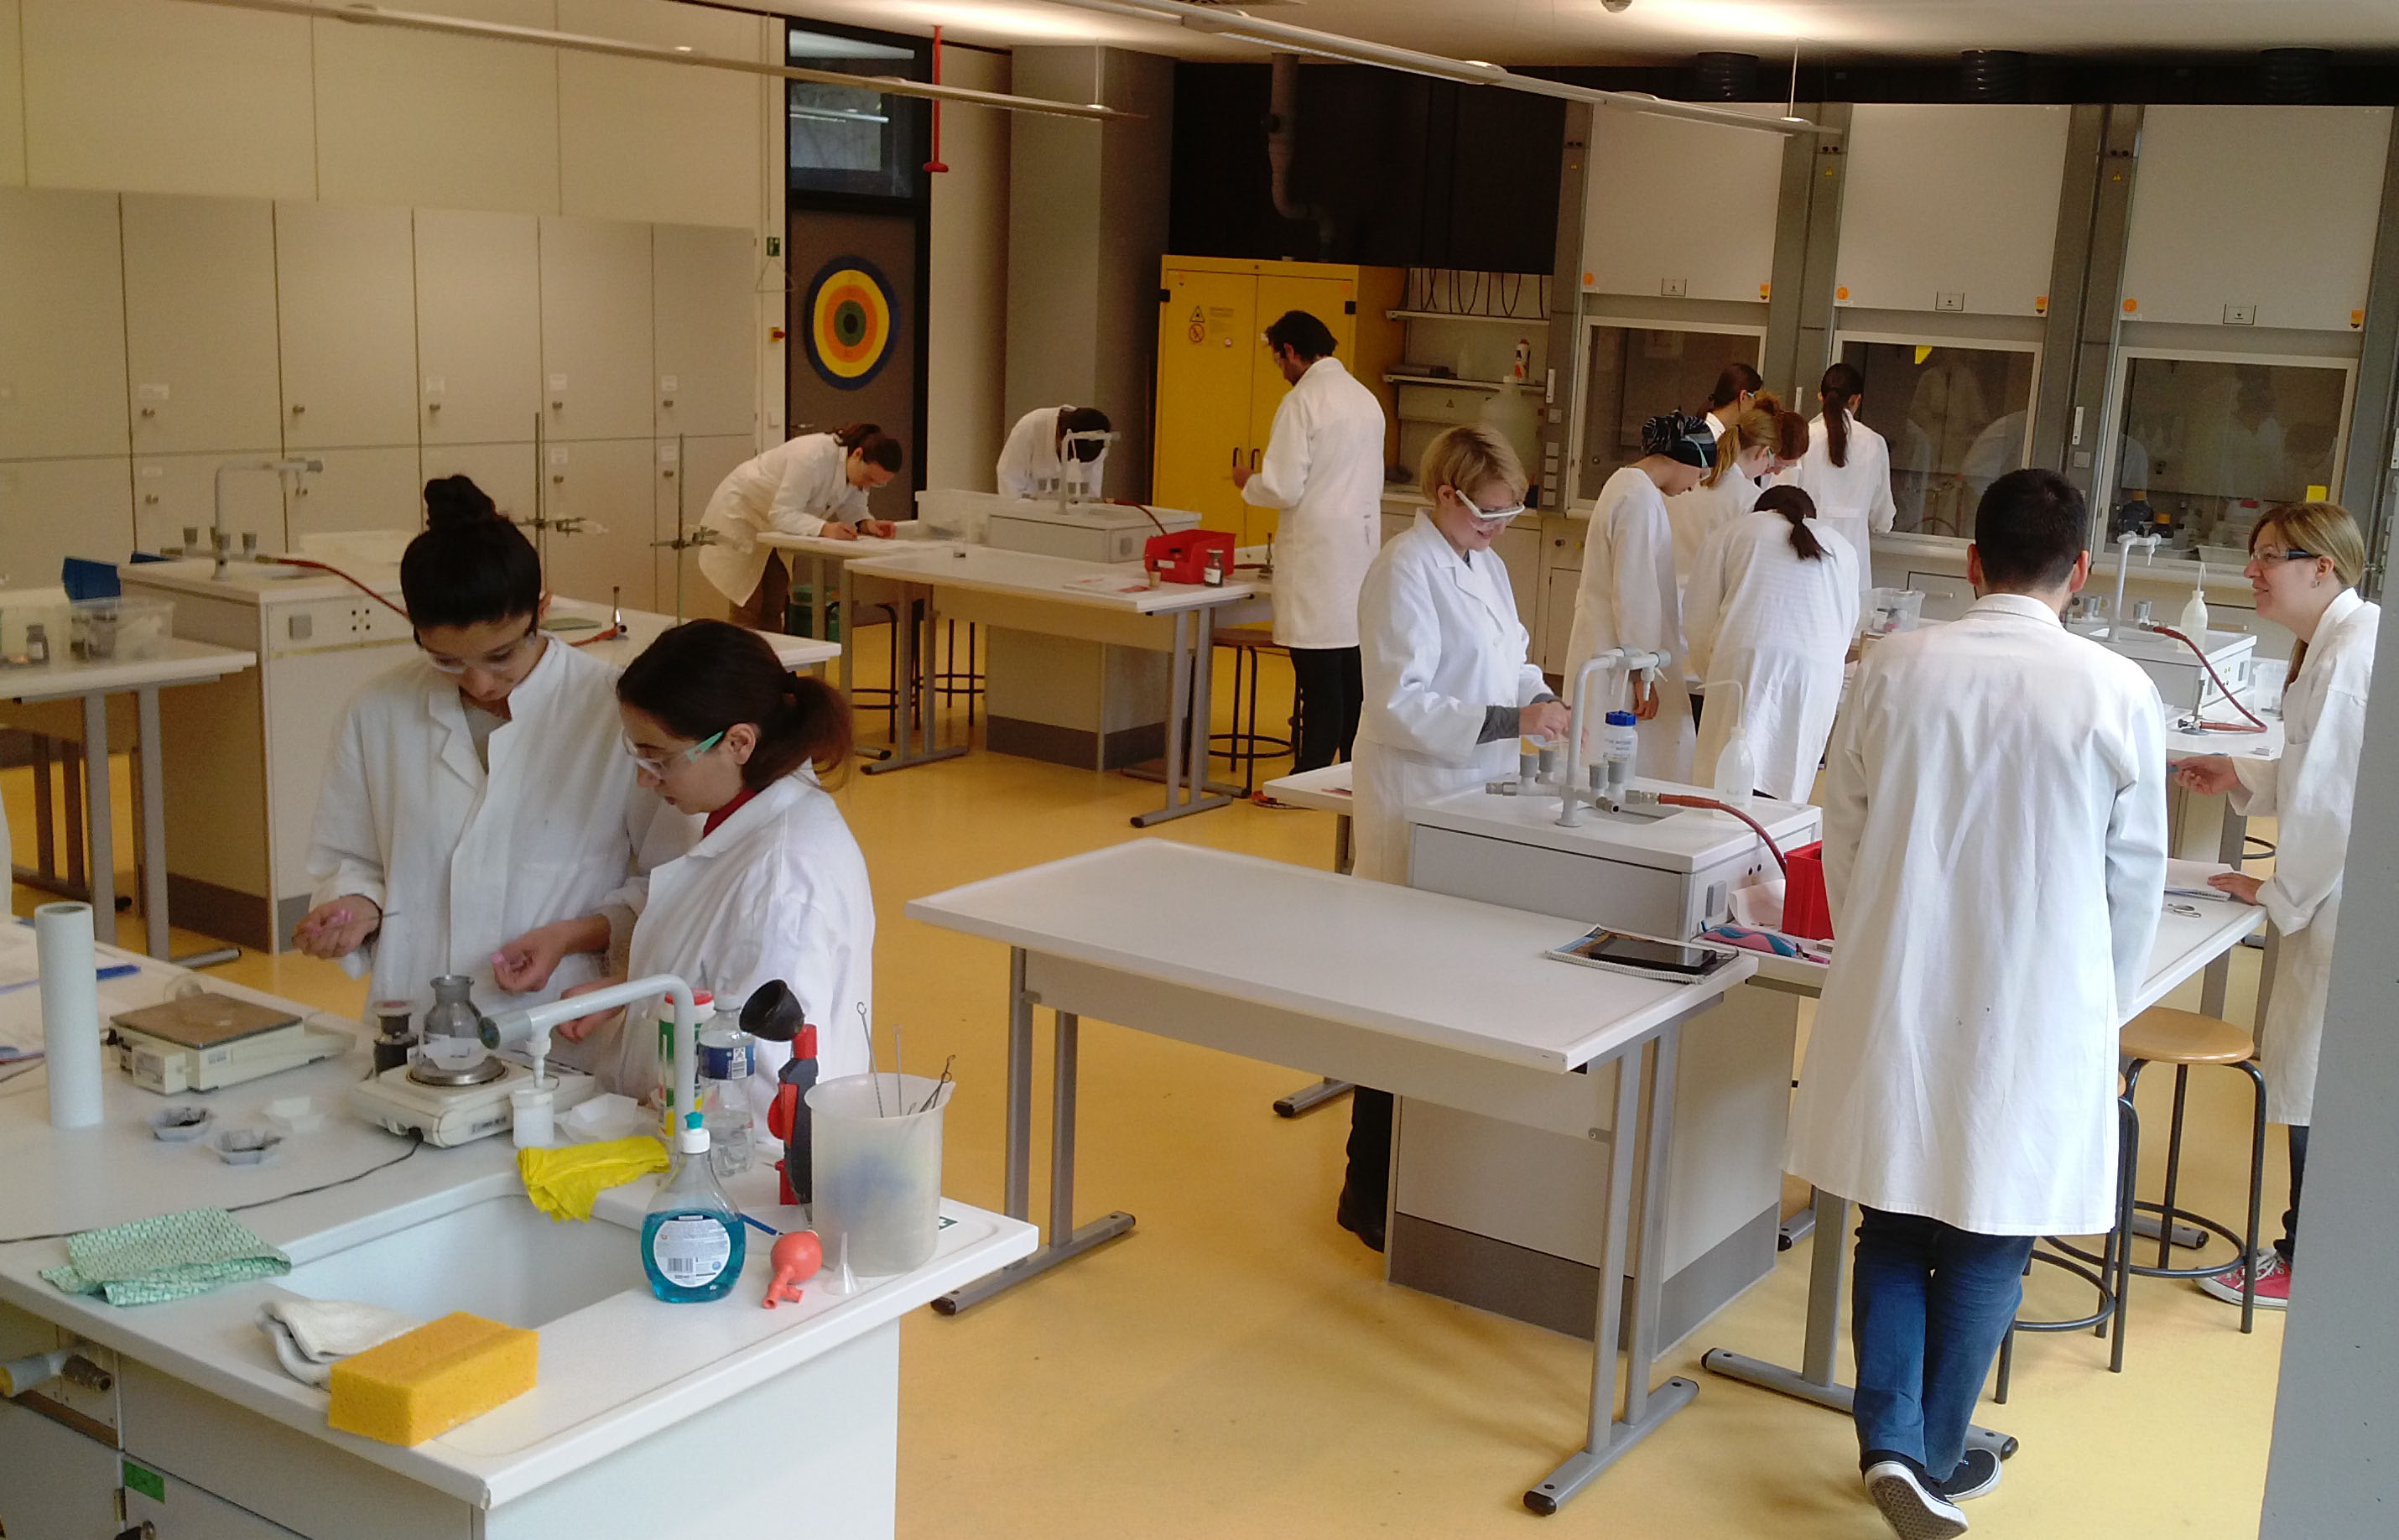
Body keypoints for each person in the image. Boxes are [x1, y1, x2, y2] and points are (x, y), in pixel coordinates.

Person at [1785, 467, 2167, 1537]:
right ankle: (1934, 1459)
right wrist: (2101, 1007)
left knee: (1894, 1220)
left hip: (1900, 984)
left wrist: (1879, 939)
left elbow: (1843, 830)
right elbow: (2133, 876)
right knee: (1993, 1234)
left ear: (1970, 562)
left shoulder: (1894, 666)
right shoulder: (2115, 689)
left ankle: (1894, 1445)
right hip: (2039, 1000)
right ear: (2080, 571)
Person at [294, 476, 689, 1020]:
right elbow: (351, 859)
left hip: (561, 1020)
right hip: (416, 1012)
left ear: (542, 608)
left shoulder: (612, 710)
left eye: (501, 656)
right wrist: (355, 907)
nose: (479, 682)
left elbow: (673, 880)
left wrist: (574, 935)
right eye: (447, 660)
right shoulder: (378, 710)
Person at [492, 621, 875, 1115]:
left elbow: (762, 1090)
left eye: (659, 760)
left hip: (735, 1149)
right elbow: (721, 982)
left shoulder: (782, 879)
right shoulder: (744, 823)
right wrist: (638, 993)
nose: (645, 780)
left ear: (739, 743)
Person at [1341, 425, 1566, 1250]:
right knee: (1400, 998)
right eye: (1488, 513)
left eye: (1509, 515)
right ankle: (1368, 1186)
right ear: (1445, 494)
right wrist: (1514, 721)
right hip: (1417, 802)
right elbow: (1400, 703)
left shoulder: (1484, 563)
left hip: (1477, 800)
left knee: (1451, 995)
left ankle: (1429, 1182)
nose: (1499, 528)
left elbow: (1513, 660)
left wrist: (1544, 699)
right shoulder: (1402, 570)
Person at [2170, 502, 2378, 1311]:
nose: (2252, 571)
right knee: (2322, 1071)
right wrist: (2243, 774)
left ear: (2322, 566)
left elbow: (2333, 807)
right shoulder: (2338, 643)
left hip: (2347, 898)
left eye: (2269, 557)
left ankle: (2305, 1258)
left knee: (2318, 1074)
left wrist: (2275, 891)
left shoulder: (2349, 659)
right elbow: (2317, 767)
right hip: (2346, 889)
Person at [1233, 310, 1387, 773]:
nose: (1281, 369)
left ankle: (1308, 776)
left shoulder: (1302, 401)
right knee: (1351, 672)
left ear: (1291, 352)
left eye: (1279, 360)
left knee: (1319, 678)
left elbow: (1283, 487)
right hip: (1358, 550)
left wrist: (1248, 481)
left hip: (1317, 554)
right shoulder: (1364, 399)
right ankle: (1352, 771)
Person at [1683, 484, 1859, 801]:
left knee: (1726, 781)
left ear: (1761, 510)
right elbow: (1846, 625)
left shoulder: (1733, 532)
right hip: (1816, 674)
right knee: (1788, 784)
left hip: (1745, 661)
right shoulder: (1842, 547)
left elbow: (1699, 617)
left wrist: (1711, 673)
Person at [1564, 412, 1712, 781]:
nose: (1694, 486)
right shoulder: (1639, 498)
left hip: (1609, 646)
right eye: (1699, 474)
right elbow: (1634, 592)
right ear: (1683, 458)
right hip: (1621, 654)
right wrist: (1644, 674)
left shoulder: (1625, 484)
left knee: (1598, 753)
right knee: (1624, 759)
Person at [697, 424, 903, 630]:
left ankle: (772, 652)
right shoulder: (811, 456)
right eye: (869, 479)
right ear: (857, 454)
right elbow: (782, 514)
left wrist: (866, 523)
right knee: (748, 606)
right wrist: (825, 528)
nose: (867, 486)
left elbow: (851, 505)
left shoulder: (855, 471)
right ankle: (743, 651)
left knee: (774, 603)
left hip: (775, 526)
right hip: (743, 514)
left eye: (876, 484)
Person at [1785, 362, 1897, 601]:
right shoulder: (1874, 443)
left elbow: (1782, 496)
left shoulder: (1805, 436)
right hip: (1853, 567)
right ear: (1857, 400)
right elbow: (1883, 519)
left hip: (1805, 557)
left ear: (1820, 397)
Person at [1667, 398, 1782, 599]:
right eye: (1770, 463)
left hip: (1664, 595)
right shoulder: (1751, 499)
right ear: (1763, 452)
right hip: (1704, 604)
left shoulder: (1686, 479)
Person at [997, 404, 1111, 500]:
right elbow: (1009, 481)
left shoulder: (1097, 440)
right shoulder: (1030, 427)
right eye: (1069, 456)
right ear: (1059, 436)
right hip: (1027, 511)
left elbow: (1091, 495)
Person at [1703, 361, 1765, 444]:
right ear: (1743, 397)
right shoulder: (1708, 438)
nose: (1756, 410)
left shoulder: (1714, 433)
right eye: (1756, 399)